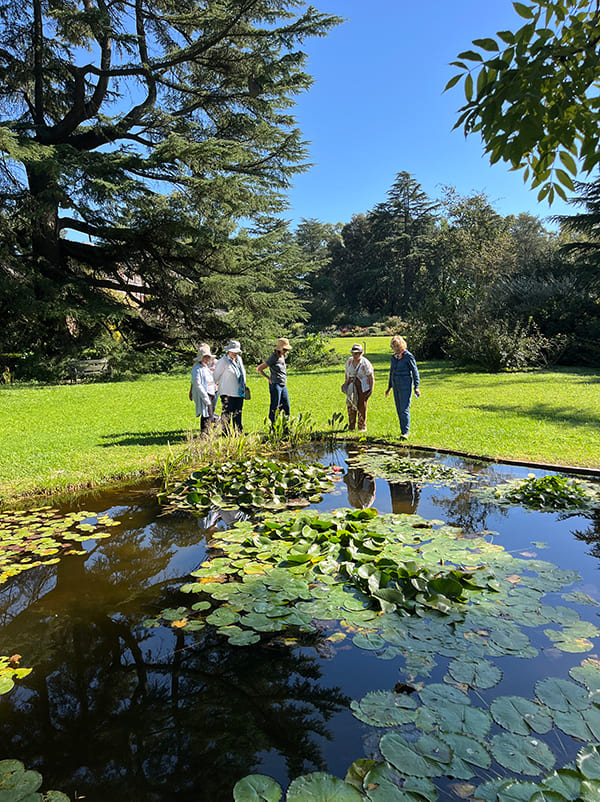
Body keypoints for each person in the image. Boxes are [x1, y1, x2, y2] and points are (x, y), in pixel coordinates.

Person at [385, 335, 420, 439]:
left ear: (401, 345)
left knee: (404, 408)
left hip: (405, 383)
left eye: (396, 346)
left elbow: (415, 371)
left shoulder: (408, 356)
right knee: (399, 408)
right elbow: (391, 372)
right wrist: (389, 386)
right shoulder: (393, 357)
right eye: (393, 346)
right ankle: (402, 431)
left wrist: (416, 386)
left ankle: (405, 432)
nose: (394, 348)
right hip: (396, 384)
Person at [213, 340, 247, 432]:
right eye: (233, 351)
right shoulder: (223, 361)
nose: (235, 353)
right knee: (227, 414)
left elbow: (242, 373)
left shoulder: (239, 360)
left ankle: (238, 432)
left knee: (238, 414)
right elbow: (215, 376)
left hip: (239, 392)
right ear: (229, 351)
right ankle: (226, 433)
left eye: (236, 352)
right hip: (227, 391)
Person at [257, 337, 292, 424]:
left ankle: (285, 427)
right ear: (279, 349)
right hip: (275, 385)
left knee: (286, 407)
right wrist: (268, 378)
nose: (285, 351)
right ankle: (273, 427)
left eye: (286, 349)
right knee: (275, 407)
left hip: (283, 384)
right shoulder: (273, 358)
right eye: (284, 349)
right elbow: (259, 369)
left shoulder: (283, 356)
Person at [343, 343, 374, 432]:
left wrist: (371, 389)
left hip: (363, 386)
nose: (355, 355)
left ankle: (362, 427)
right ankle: (351, 426)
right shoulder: (349, 361)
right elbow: (347, 373)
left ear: (361, 353)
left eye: (357, 353)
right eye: (353, 353)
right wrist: (346, 383)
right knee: (351, 404)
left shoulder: (365, 363)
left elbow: (371, 377)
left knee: (361, 406)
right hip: (352, 385)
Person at [189, 345, 217, 433]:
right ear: (201, 357)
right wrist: (205, 398)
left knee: (209, 414)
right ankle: (205, 433)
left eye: (208, 357)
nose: (207, 359)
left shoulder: (205, 368)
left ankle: (207, 433)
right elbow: (198, 384)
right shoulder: (197, 370)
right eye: (205, 357)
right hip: (204, 394)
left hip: (210, 393)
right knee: (206, 414)